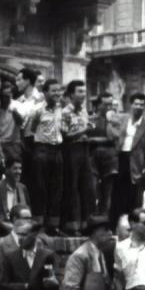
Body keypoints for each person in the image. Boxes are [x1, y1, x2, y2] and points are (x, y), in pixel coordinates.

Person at [24, 79, 65, 234]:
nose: (57, 94)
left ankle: (53, 225)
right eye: (53, 91)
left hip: (57, 151)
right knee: (40, 188)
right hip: (41, 150)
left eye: (59, 90)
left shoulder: (62, 110)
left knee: (56, 188)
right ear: (45, 92)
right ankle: (38, 224)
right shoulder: (37, 110)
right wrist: (34, 152)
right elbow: (28, 133)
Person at [111, 92, 145, 225]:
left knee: (133, 193)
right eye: (136, 104)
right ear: (131, 105)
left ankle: (131, 222)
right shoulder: (124, 119)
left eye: (142, 104)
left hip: (136, 161)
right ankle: (115, 223)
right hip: (120, 158)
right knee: (117, 191)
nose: (139, 107)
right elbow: (111, 123)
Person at [61, 80, 97, 235]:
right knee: (72, 188)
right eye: (79, 92)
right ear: (71, 94)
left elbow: (86, 130)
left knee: (86, 188)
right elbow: (64, 135)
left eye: (84, 92)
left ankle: (85, 224)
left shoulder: (84, 111)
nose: (83, 95)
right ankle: (72, 225)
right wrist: (84, 131)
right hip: (71, 151)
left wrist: (88, 134)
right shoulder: (65, 112)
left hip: (84, 150)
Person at [0, 159, 30, 226]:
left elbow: (28, 211)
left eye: (20, 168)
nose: (19, 171)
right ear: (7, 170)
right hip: (1, 227)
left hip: (21, 226)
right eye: (15, 168)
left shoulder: (23, 188)